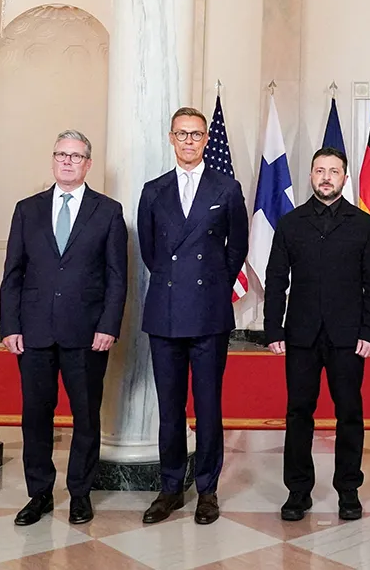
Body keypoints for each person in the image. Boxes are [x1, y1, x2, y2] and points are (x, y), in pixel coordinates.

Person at [0, 130, 127, 527]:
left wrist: (108, 325)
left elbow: (117, 276)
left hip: (87, 333)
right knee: (35, 415)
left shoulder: (107, 210)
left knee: (86, 415)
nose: (67, 162)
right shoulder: (27, 209)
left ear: (88, 164)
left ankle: (79, 493)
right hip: (33, 331)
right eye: (61, 155)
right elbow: (14, 273)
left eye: (76, 156)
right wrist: (9, 325)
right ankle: (38, 493)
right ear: (53, 160)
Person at [137, 107, 249, 525]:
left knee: (207, 406)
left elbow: (236, 248)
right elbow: (151, 253)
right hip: (164, 311)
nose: (188, 141)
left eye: (196, 134)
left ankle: (207, 489)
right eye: (181, 134)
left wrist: (210, 283)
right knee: (169, 407)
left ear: (206, 140)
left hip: (208, 311)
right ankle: (169, 487)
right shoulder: (153, 190)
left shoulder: (227, 188)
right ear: (171, 138)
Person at [264, 147, 370, 522]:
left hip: (349, 336)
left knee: (350, 412)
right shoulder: (291, 223)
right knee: (299, 413)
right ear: (311, 176)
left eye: (334, 171)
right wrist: (273, 328)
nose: (327, 177)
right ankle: (298, 491)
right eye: (320, 170)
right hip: (300, 334)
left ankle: (348, 490)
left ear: (345, 178)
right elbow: (274, 280)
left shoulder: (363, 224)